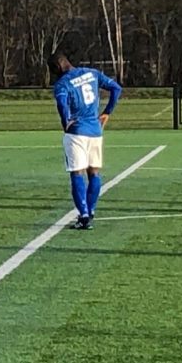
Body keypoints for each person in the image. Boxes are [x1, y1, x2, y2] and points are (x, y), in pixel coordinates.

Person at [48, 52, 122, 230]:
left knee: (77, 173)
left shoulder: (62, 84)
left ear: (57, 67)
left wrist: (66, 122)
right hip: (95, 131)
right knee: (94, 172)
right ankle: (91, 210)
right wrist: (107, 112)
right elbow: (116, 88)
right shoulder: (92, 73)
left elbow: (62, 104)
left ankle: (83, 215)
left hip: (76, 133)